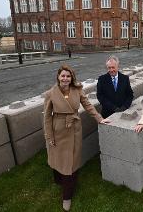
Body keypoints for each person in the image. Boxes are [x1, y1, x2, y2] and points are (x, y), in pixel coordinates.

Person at [43, 64, 110, 211]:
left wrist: (99, 118)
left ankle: (67, 196)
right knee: (57, 157)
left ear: (71, 77)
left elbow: (88, 106)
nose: (65, 78)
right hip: (57, 129)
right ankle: (59, 180)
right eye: (63, 76)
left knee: (71, 163)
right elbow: (47, 117)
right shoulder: (50, 94)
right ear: (58, 77)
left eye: (68, 76)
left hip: (73, 129)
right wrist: (49, 135)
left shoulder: (78, 90)